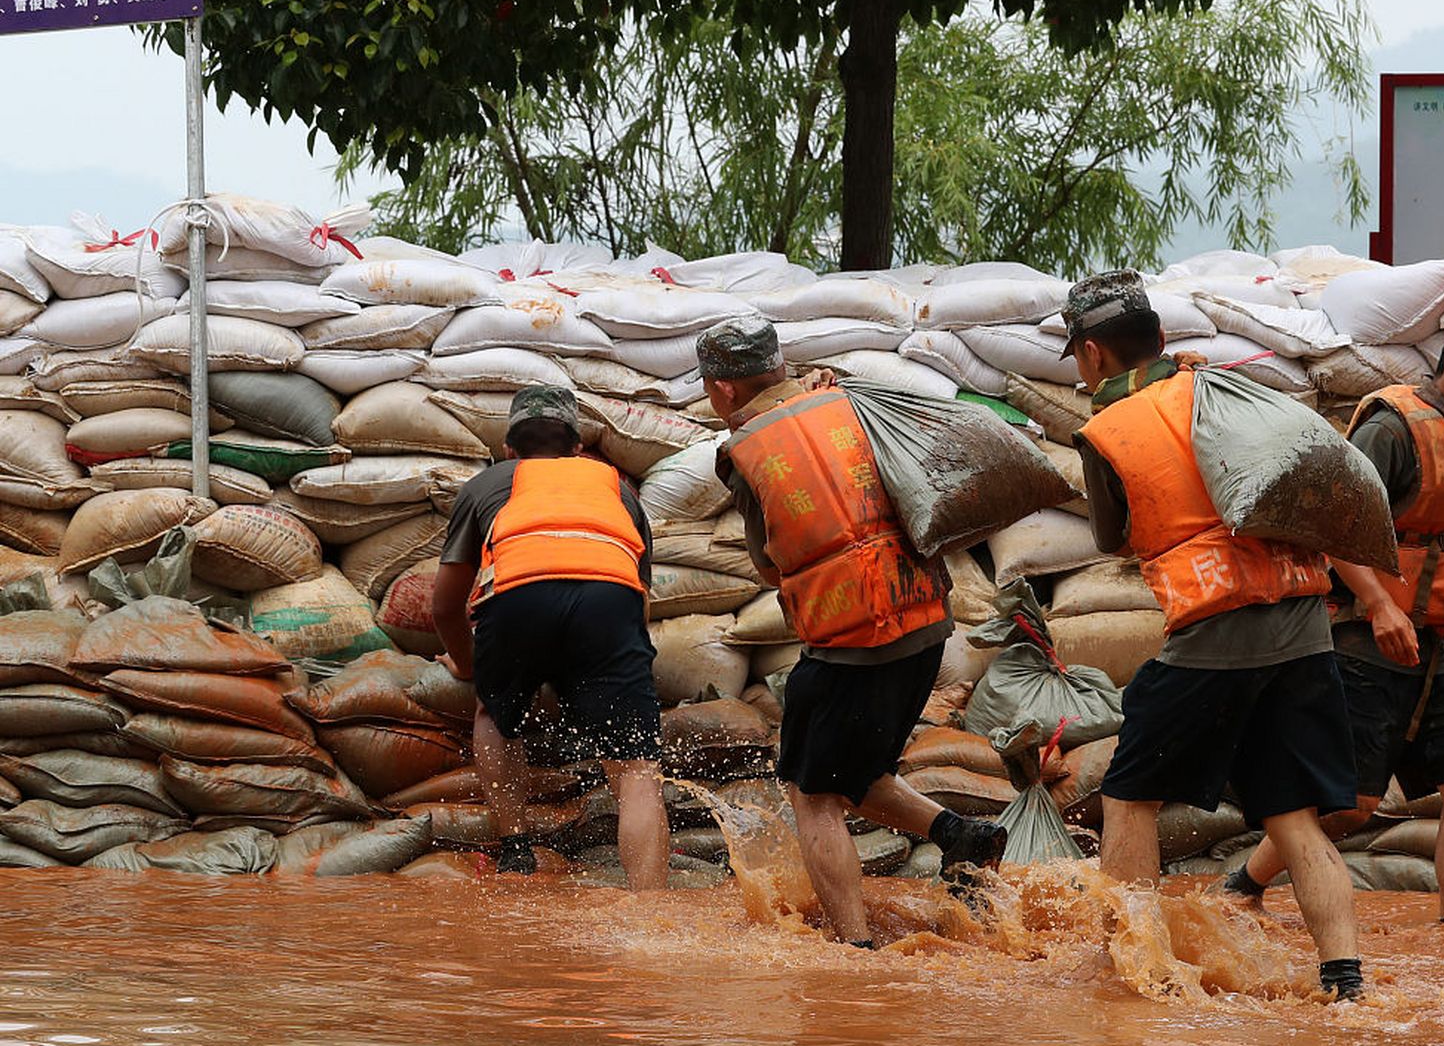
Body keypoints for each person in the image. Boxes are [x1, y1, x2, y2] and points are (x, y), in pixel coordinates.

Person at [1064, 270, 1366, 1002]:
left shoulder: (1106, 431)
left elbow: (1112, 539)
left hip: (1211, 631)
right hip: (1301, 622)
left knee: (1129, 798)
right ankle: (1346, 983)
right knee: (1292, 815)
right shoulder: (1234, 390)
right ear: (1163, 342)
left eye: (1077, 352)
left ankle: (1134, 971)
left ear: (1096, 356)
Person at [698, 315, 1007, 948]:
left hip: (851, 640)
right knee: (854, 772)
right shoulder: (850, 399)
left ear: (724, 389)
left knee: (812, 794)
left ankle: (855, 947)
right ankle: (959, 835)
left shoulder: (748, 447)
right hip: (925, 622)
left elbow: (766, 560)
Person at [1237, 304, 1444, 921]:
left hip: (1433, 639)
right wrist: (1379, 607)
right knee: (1351, 807)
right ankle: (1242, 884)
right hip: (1364, 636)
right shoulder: (1393, 429)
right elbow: (1333, 530)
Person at [432, 386, 670, 884]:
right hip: (610, 603)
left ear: (509, 449)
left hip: (519, 598)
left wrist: (470, 666)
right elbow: (638, 595)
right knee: (635, 765)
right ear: (579, 448)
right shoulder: (617, 487)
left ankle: (516, 846)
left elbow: (445, 604)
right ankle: (651, 908)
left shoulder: (487, 483)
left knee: (494, 712)